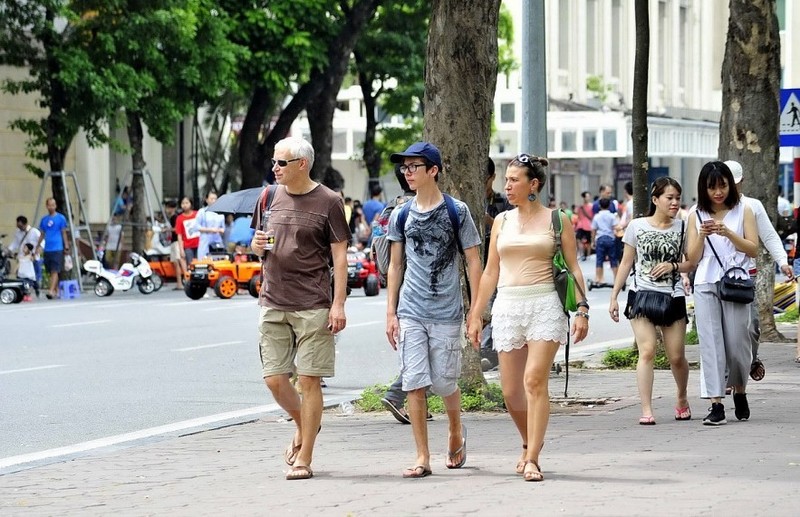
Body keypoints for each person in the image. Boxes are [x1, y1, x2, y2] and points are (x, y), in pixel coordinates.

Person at [467, 153, 589, 482]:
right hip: (508, 305)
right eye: (506, 179)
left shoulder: (558, 219)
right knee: (510, 391)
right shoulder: (502, 222)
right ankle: (528, 440)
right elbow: (491, 271)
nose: (506, 185)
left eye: (514, 180)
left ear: (533, 184)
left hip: (544, 304)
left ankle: (533, 457)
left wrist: (582, 308)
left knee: (534, 381)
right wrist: (476, 314)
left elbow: (573, 266)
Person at [250, 136, 350, 481]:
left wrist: (338, 304)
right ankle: (305, 425)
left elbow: (340, 256)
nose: (274, 168)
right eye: (274, 162)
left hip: (313, 303)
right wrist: (256, 245)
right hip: (273, 300)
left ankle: (305, 457)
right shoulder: (268, 197)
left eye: (281, 163)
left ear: (302, 164)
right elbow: (258, 244)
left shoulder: (330, 201)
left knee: (309, 380)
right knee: (275, 379)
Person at [385, 141, 482, 479]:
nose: (407, 172)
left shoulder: (458, 211)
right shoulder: (401, 214)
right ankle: (422, 455)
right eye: (404, 167)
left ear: (433, 170)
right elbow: (396, 265)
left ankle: (455, 430)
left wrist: (475, 312)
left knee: (443, 383)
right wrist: (390, 312)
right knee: (413, 381)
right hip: (411, 308)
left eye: (414, 166)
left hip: (447, 310)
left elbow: (472, 259)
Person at [609, 177, 691, 425]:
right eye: (670, 198)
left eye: (677, 197)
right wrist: (614, 296)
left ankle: (682, 397)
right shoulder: (636, 226)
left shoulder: (684, 227)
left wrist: (673, 265)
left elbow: (692, 262)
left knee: (676, 356)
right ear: (656, 200)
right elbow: (626, 263)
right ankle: (646, 409)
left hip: (672, 296)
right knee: (647, 351)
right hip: (641, 295)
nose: (675, 202)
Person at [686, 161, 758, 425]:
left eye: (722, 186)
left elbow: (753, 249)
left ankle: (740, 389)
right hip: (705, 281)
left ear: (731, 185)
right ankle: (716, 403)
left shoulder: (743, 210)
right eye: (712, 187)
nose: (718, 192)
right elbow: (692, 259)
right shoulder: (695, 213)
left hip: (735, 282)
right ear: (704, 189)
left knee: (739, 342)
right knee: (710, 343)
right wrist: (702, 236)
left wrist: (728, 233)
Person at [725, 160, 793, 382]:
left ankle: (752, 357)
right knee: (722, 330)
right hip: (718, 278)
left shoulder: (752, 206)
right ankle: (727, 375)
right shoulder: (711, 208)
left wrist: (782, 261)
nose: (729, 189)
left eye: (733, 183)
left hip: (746, 278)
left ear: (741, 182)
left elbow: (770, 236)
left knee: (752, 327)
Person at [37, 198, 69, 299]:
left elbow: (64, 232)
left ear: (55, 206)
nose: (52, 207)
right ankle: (57, 290)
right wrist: (37, 245)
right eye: (50, 205)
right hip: (47, 248)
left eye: (53, 205)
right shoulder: (44, 219)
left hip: (57, 247)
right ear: (47, 206)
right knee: (51, 270)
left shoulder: (61, 218)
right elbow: (42, 234)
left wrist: (66, 245)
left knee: (55, 270)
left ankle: (51, 291)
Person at [8, 215, 42, 296]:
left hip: (32, 258)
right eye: (18, 225)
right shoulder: (18, 232)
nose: (19, 227)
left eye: (21, 226)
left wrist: (36, 252)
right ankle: (24, 292)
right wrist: (8, 250)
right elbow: (15, 243)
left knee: (32, 277)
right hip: (22, 258)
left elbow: (41, 243)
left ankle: (36, 289)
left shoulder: (34, 231)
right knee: (21, 276)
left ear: (25, 223)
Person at [591, 197, 619, 285]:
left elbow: (594, 230)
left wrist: (593, 241)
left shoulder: (597, 216)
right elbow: (615, 228)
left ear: (599, 205)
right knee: (613, 259)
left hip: (600, 238)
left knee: (599, 259)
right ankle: (616, 279)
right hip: (610, 238)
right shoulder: (612, 216)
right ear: (609, 205)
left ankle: (599, 278)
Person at [195, 191, 225, 260]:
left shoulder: (220, 212)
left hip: (217, 240)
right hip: (205, 240)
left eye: (215, 199)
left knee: (218, 260)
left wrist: (220, 230)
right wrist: (210, 229)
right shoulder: (202, 212)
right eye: (211, 199)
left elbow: (223, 228)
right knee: (204, 260)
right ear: (207, 199)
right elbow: (197, 227)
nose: (214, 201)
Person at [163, 200, 184, 289]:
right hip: (174, 241)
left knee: (177, 262)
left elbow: (176, 229)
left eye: (169, 207)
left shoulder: (175, 217)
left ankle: (180, 283)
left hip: (176, 242)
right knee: (176, 263)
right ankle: (179, 282)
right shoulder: (172, 217)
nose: (167, 209)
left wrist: (167, 230)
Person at [175, 197, 199, 266]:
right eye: (183, 203)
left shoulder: (197, 214)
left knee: (200, 264)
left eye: (187, 203)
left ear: (191, 204)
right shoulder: (179, 218)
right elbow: (179, 235)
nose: (185, 205)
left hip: (199, 244)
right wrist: (181, 249)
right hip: (188, 246)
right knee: (191, 265)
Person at [575, 192, 594, 260]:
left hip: (588, 225)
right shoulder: (580, 207)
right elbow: (579, 216)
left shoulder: (592, 206)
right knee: (578, 239)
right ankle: (581, 254)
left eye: (588, 196)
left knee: (588, 241)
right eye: (586, 196)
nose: (587, 198)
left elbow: (592, 216)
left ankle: (588, 255)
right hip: (581, 225)